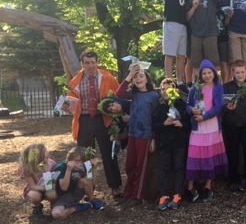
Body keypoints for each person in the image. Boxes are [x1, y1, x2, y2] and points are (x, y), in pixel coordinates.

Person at [66, 50, 123, 199]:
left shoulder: (107, 77)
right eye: (87, 63)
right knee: (84, 155)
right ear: (82, 64)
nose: (90, 65)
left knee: (109, 153)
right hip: (84, 119)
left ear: (97, 63)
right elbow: (70, 104)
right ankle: (88, 188)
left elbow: (118, 96)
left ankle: (115, 186)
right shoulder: (75, 82)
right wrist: (66, 106)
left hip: (103, 118)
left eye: (93, 62)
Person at [116, 64, 159, 207]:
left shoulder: (154, 96)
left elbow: (156, 118)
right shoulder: (133, 94)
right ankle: (128, 193)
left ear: (147, 79)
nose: (138, 79)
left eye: (141, 76)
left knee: (141, 166)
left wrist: (153, 138)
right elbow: (119, 93)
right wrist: (129, 76)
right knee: (130, 165)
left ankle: (137, 196)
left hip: (145, 136)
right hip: (133, 134)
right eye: (135, 77)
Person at [186, 60, 228, 202]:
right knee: (194, 155)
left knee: (210, 155)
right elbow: (188, 104)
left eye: (209, 72)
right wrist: (192, 110)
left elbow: (218, 107)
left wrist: (204, 117)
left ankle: (208, 185)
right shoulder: (196, 87)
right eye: (204, 73)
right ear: (200, 75)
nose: (207, 75)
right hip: (198, 127)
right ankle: (190, 186)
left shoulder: (218, 87)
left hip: (212, 126)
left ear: (214, 73)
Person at [152, 79, 190, 210]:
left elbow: (189, 123)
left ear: (175, 90)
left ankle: (178, 194)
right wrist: (164, 123)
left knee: (179, 167)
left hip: (179, 143)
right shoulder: (160, 107)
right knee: (164, 169)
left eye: (168, 89)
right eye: (163, 89)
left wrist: (181, 124)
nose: (165, 92)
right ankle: (164, 195)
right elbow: (154, 126)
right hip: (164, 144)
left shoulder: (182, 105)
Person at [162, 0, 194, 86]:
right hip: (172, 22)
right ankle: (169, 81)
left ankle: (180, 82)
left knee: (181, 55)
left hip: (183, 23)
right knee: (170, 54)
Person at [222, 61, 246, 192]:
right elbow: (221, 106)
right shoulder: (226, 87)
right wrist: (227, 108)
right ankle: (233, 179)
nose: (240, 75)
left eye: (242, 72)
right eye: (237, 72)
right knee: (233, 152)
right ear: (233, 73)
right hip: (231, 124)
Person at [51, 147, 104, 220]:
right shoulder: (61, 167)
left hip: (76, 192)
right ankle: (76, 208)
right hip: (62, 197)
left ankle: (93, 200)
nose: (80, 164)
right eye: (77, 161)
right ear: (70, 160)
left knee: (85, 180)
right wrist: (68, 170)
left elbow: (93, 183)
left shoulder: (84, 166)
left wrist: (93, 168)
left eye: (82, 162)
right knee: (57, 214)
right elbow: (64, 188)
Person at [186, 0, 221, 74]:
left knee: (214, 64)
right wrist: (194, 7)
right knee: (196, 64)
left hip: (210, 35)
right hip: (196, 36)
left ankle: (215, 82)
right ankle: (198, 83)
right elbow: (187, 18)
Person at [18, 143, 57, 215]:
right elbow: (32, 186)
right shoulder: (27, 167)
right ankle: (37, 206)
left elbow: (54, 177)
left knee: (52, 194)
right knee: (34, 196)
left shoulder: (52, 164)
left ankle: (53, 205)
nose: (48, 153)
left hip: (48, 186)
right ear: (37, 155)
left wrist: (52, 186)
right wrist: (43, 189)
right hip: (34, 188)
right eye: (45, 151)